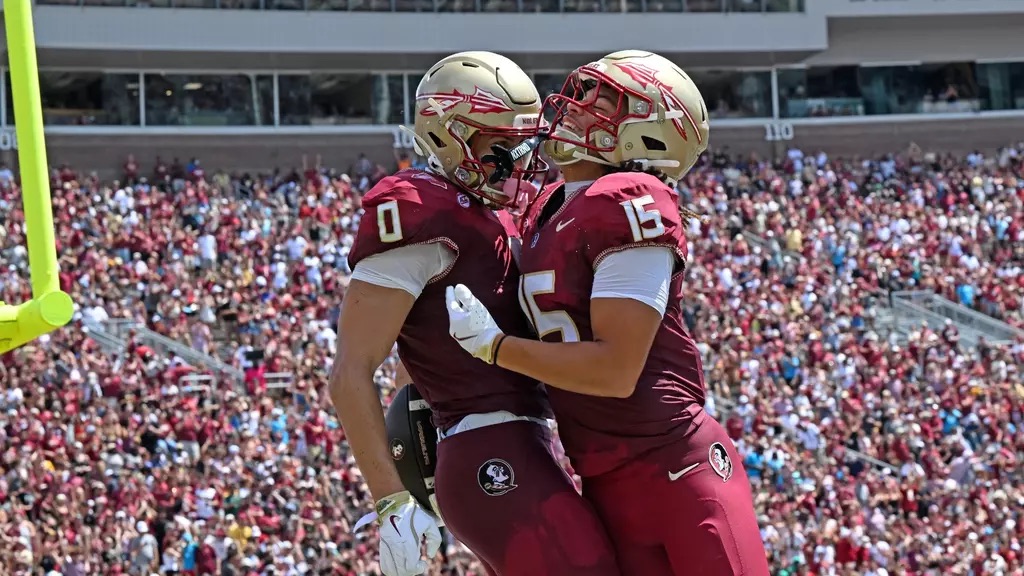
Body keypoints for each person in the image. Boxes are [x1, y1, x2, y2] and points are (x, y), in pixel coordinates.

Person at [445, 50, 770, 576]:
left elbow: (617, 370)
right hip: (600, 479)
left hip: (678, 469)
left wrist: (497, 348)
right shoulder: (548, 205)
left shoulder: (629, 199)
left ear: (648, 134)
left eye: (602, 101)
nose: (574, 107)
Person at [330, 51, 620, 576]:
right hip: (488, 445)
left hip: (525, 440)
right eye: (501, 144)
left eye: (521, 142)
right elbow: (351, 371)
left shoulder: (486, 214)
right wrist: (390, 502)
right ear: (449, 133)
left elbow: (420, 360)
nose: (520, 159)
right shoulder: (420, 210)